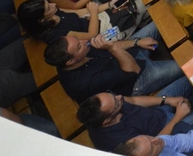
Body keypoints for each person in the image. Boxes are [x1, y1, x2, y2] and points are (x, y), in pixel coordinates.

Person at [43, 23, 183, 103]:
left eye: (76, 39)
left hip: (124, 57)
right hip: (136, 80)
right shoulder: (84, 83)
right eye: (78, 46)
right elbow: (133, 70)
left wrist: (136, 42)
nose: (84, 41)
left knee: (160, 21)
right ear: (71, 61)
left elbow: (111, 48)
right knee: (187, 65)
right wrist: (111, 47)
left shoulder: (81, 51)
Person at [78, 86, 193, 152]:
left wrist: (166, 100)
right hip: (168, 130)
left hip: (157, 110)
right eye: (116, 103)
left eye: (112, 95)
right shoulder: (118, 143)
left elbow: (133, 101)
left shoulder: (107, 104)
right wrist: (178, 117)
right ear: (107, 121)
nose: (119, 97)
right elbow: (157, 142)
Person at [113, 131, 193, 156]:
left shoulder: (156, 142)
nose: (156, 140)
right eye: (152, 146)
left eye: (148, 137)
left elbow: (179, 142)